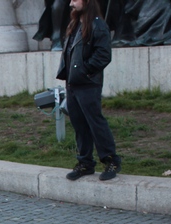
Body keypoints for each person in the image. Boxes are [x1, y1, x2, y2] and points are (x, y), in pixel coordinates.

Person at [56, 0, 121, 181]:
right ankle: (85, 163)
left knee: (95, 123)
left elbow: (103, 55)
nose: (71, 3)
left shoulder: (97, 25)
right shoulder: (75, 24)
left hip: (88, 83)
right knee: (79, 125)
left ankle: (111, 160)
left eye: (75, 0)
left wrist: (85, 71)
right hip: (73, 83)